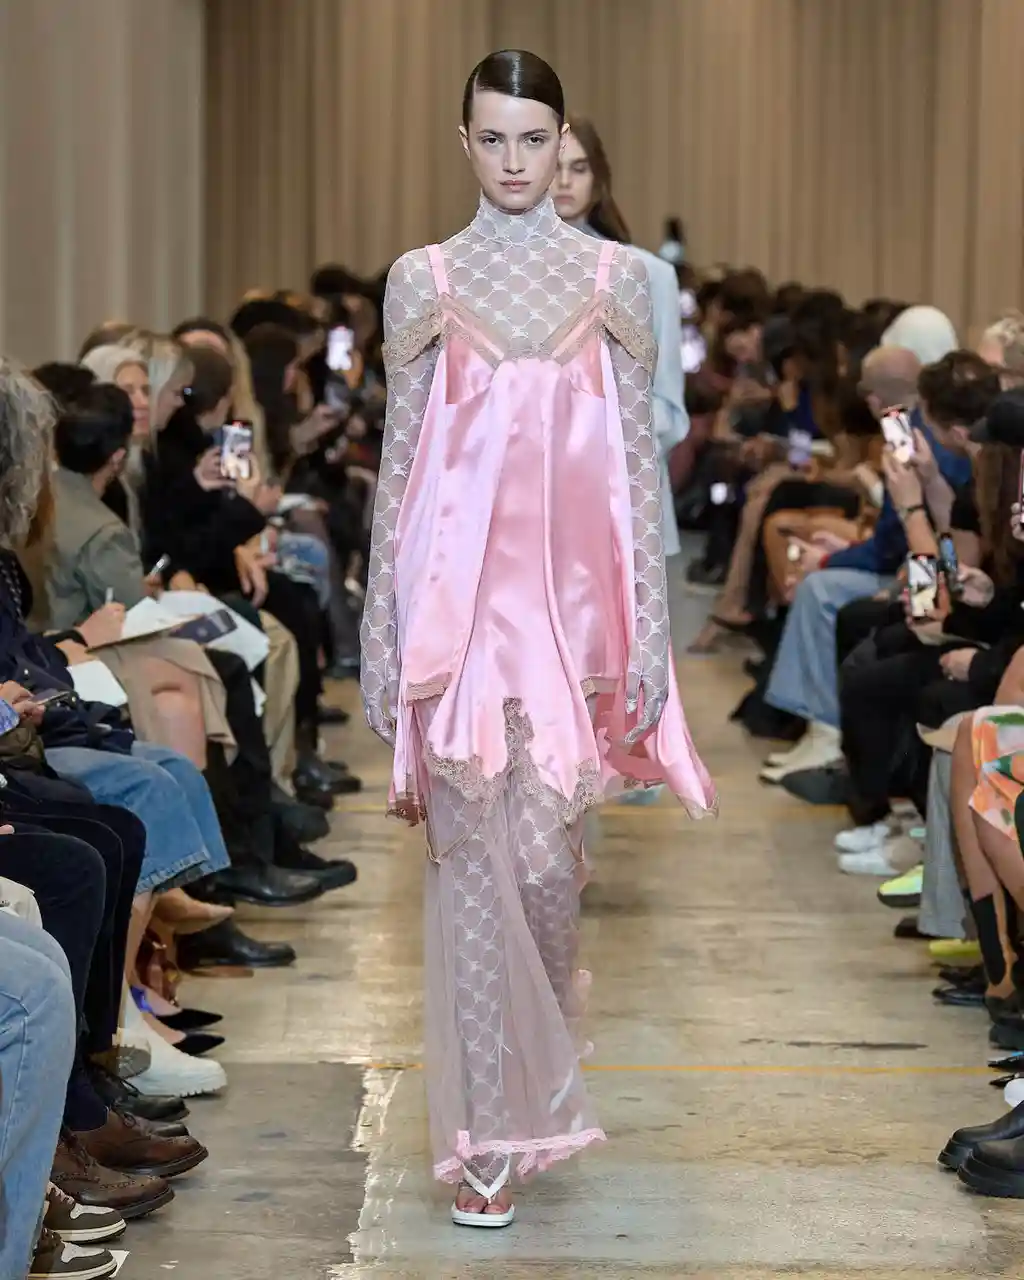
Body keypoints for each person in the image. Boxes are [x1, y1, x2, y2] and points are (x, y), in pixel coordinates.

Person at [361, 48, 716, 1226]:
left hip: (565, 626)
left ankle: (539, 1054)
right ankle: (484, 1139)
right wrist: (378, 628)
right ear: (463, 142)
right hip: (455, 619)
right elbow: (399, 464)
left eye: (533, 139)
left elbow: (634, 471)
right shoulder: (421, 279)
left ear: (562, 142)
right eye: (493, 139)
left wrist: (649, 637)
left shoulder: (618, 279)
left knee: (544, 871)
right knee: (471, 873)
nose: (514, 161)